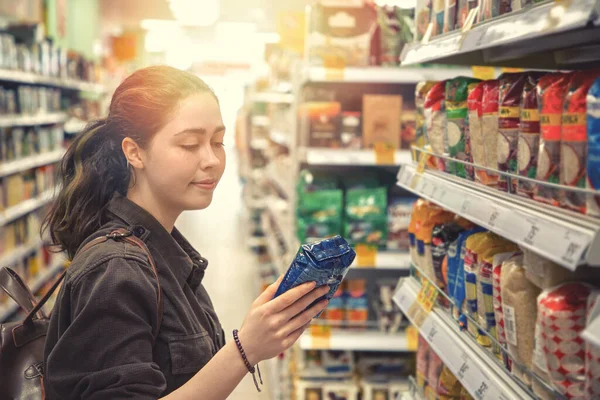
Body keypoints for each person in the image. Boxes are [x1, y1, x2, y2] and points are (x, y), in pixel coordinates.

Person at [43, 65, 330, 399]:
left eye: (218, 142)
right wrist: (245, 349)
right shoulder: (116, 270)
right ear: (135, 152)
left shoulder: (161, 250)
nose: (211, 160)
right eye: (190, 144)